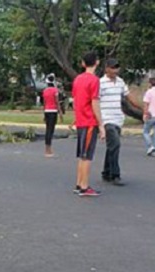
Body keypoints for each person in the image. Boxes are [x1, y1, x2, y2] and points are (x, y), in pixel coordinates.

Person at [100, 58, 140, 186]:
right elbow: (94, 101)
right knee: (115, 144)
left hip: (118, 119)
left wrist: (143, 108)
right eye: (112, 67)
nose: (115, 70)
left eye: (117, 67)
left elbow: (129, 97)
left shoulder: (120, 82)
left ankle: (106, 172)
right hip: (107, 119)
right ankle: (115, 174)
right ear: (106, 68)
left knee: (111, 146)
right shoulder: (100, 83)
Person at [71, 51, 106, 197]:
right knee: (87, 156)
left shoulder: (77, 79)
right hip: (89, 121)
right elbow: (95, 102)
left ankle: (79, 184)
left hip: (80, 120)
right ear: (97, 62)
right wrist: (101, 124)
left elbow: (75, 100)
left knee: (82, 155)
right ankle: (84, 187)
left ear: (83, 63)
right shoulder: (94, 80)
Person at [41, 73, 63, 157]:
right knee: (51, 130)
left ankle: (47, 148)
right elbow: (57, 102)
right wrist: (60, 113)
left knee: (48, 130)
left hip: (47, 111)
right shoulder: (55, 91)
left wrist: (44, 114)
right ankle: (48, 150)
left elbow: (44, 103)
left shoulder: (45, 91)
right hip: (53, 111)